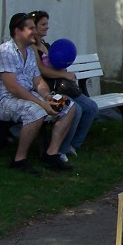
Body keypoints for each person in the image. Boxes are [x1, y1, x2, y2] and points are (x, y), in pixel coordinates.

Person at [0, 13, 76, 174]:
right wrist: (42, 104)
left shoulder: (28, 52)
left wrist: (48, 96)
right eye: (31, 28)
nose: (35, 32)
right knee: (36, 112)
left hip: (25, 95)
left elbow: (38, 81)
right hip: (4, 100)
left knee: (68, 106)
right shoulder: (5, 52)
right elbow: (13, 88)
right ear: (17, 31)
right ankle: (19, 159)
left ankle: (51, 154)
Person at [30, 10, 98, 160]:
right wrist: (64, 74)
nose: (47, 27)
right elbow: (41, 71)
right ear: (33, 27)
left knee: (91, 107)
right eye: (43, 24)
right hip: (49, 91)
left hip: (62, 86)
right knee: (76, 109)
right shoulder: (32, 48)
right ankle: (61, 149)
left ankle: (73, 145)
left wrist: (63, 68)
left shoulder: (47, 45)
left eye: (47, 23)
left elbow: (56, 64)